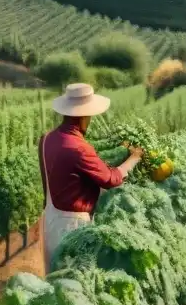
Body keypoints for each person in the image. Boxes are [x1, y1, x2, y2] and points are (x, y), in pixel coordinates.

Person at [38, 82, 143, 273]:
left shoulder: (46, 139)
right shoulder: (78, 147)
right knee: (76, 283)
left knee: (55, 281)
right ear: (84, 116)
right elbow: (112, 180)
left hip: (51, 221)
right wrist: (134, 158)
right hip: (72, 226)